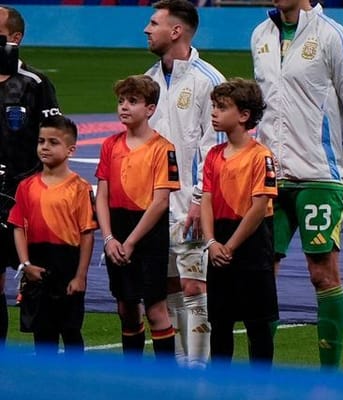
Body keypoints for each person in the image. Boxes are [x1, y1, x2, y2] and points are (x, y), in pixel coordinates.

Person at [252, 0, 343, 370]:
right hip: (272, 175)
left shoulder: (332, 35)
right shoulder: (260, 35)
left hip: (319, 176)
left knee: (322, 273)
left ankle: (329, 375)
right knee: (262, 271)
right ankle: (259, 373)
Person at [144, 0, 224, 367]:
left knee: (194, 287)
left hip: (192, 207)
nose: (147, 29)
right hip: (157, 207)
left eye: (154, 22)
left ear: (176, 31)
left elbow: (216, 149)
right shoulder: (147, 82)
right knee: (167, 288)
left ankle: (198, 369)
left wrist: (198, 201)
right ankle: (178, 366)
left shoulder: (209, 81)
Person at [95, 75, 181, 360]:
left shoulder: (163, 148)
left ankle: (165, 380)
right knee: (126, 308)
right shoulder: (110, 145)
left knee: (156, 309)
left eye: (133, 101)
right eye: (121, 101)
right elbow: (102, 195)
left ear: (150, 108)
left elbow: (159, 202)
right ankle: (133, 376)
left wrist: (129, 242)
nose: (124, 107)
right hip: (116, 234)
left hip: (147, 236)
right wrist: (108, 238)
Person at [200, 79, 278, 365]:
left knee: (257, 323)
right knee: (220, 321)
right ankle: (221, 386)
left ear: (244, 115)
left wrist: (229, 246)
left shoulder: (261, 156)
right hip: (218, 241)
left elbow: (259, 207)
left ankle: (260, 387)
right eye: (214, 107)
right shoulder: (213, 155)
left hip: (251, 244)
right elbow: (206, 198)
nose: (214, 113)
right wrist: (211, 242)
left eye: (222, 108)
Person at [0, 5, 59, 349]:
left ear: (15, 38)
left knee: (36, 282)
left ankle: (45, 370)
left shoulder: (35, 84)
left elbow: (57, 138)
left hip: (28, 198)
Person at [8, 115, 90, 356]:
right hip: (37, 266)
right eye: (41, 141)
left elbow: (86, 234)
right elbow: (18, 227)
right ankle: (48, 389)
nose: (44, 147)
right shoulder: (26, 187)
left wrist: (80, 276)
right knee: (42, 333)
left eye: (53, 142)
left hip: (68, 264)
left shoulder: (80, 188)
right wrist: (26, 264)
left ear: (70, 150)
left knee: (71, 330)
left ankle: (75, 383)